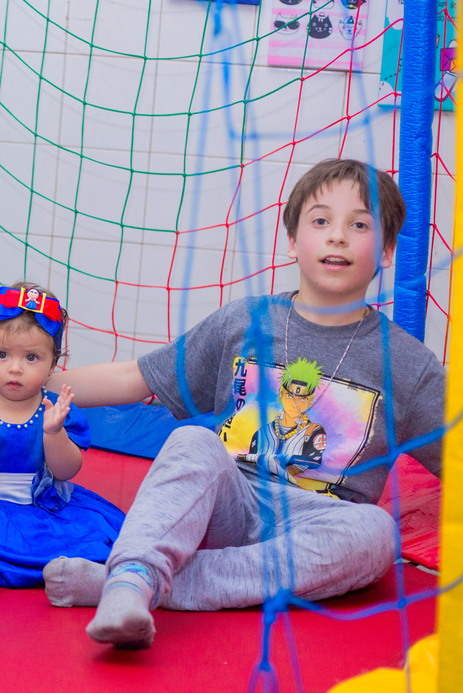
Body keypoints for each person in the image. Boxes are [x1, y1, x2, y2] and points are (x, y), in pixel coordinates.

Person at [42, 158, 445, 649]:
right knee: (192, 440)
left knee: (376, 532)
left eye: (358, 225)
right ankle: (133, 578)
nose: (337, 236)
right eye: (321, 221)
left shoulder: (408, 365)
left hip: (315, 528)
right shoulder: (245, 320)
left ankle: (137, 584)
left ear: (385, 251)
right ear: (294, 241)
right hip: (227, 503)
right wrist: (38, 383)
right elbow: (134, 377)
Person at [0, 283, 124, 594]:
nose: (15, 368)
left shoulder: (55, 409)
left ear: (52, 363)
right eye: (2, 354)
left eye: (31, 357)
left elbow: (66, 472)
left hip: (39, 508)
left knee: (77, 541)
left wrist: (54, 433)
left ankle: (47, 571)